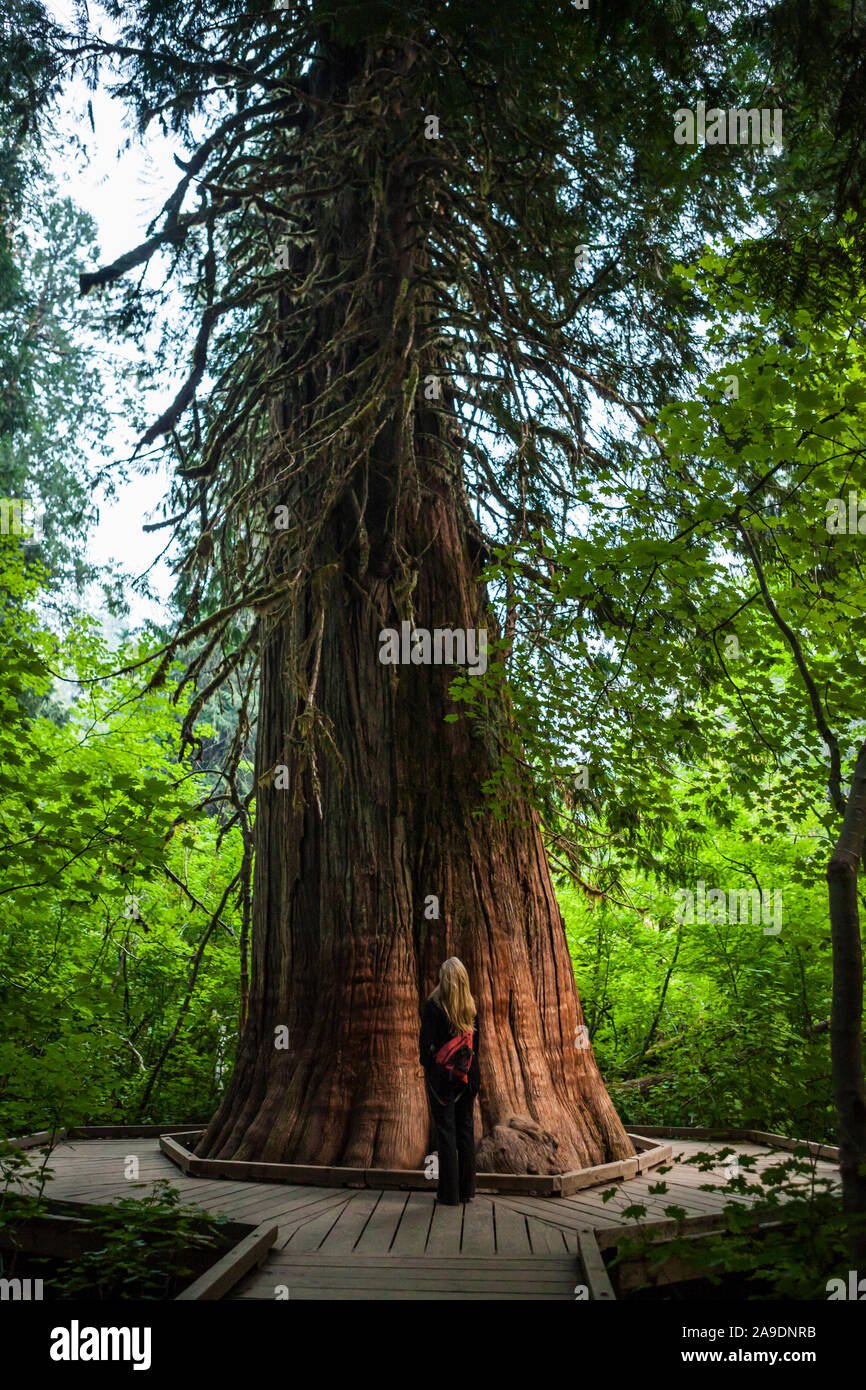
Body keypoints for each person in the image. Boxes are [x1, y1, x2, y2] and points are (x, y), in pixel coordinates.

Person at [419, 956, 480, 1206]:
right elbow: (477, 1045)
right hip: (468, 1077)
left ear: (443, 980)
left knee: (446, 1133)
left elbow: (425, 1049)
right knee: (465, 1130)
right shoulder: (471, 1007)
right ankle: (467, 1191)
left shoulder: (434, 1007)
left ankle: (448, 1194)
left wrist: (430, 1063)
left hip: (442, 1082)